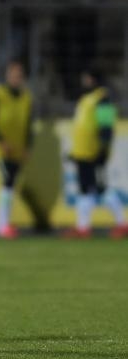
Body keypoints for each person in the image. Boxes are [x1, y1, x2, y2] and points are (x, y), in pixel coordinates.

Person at [62, 68, 128, 239]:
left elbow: (106, 127)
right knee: (87, 189)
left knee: (100, 188)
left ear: (92, 79)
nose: (84, 81)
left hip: (94, 152)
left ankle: (122, 224)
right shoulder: (87, 100)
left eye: (86, 78)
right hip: (83, 152)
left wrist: (103, 150)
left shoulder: (102, 99)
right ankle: (83, 227)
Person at [0, 60, 34, 239]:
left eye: (19, 75)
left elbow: (28, 125)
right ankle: (2, 226)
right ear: (7, 75)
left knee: (11, 185)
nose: (16, 78)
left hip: (18, 150)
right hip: (1, 150)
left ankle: (4, 225)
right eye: (13, 74)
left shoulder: (26, 97)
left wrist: (27, 146)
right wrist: (1, 141)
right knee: (7, 182)